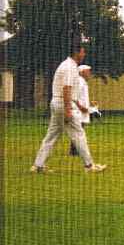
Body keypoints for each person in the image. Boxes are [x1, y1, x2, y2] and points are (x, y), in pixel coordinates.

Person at [30, 41, 106, 173]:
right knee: (78, 134)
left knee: (51, 136)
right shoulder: (70, 67)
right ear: (77, 52)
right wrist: (68, 110)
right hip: (63, 103)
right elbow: (67, 89)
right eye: (82, 51)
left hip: (57, 103)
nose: (84, 54)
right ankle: (89, 166)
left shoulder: (67, 65)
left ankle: (38, 165)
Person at [69, 65, 92, 156]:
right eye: (88, 71)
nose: (89, 73)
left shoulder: (83, 82)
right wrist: (80, 106)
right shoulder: (79, 81)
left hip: (82, 110)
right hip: (78, 110)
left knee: (79, 129)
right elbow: (74, 96)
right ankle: (75, 150)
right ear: (82, 72)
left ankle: (75, 150)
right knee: (78, 130)